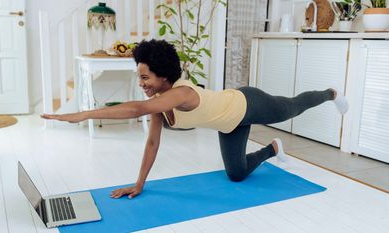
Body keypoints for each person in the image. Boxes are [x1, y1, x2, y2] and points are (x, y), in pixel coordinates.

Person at [41, 39, 349, 199]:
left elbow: (135, 110)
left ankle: (330, 94)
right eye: (139, 77)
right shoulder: (160, 103)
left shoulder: (182, 93)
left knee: (291, 108)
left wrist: (83, 114)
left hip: (247, 103)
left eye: (145, 77)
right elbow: (151, 142)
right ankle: (272, 150)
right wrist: (138, 185)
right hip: (229, 123)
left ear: (163, 75)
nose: (142, 83)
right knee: (237, 175)